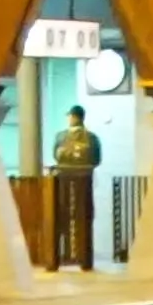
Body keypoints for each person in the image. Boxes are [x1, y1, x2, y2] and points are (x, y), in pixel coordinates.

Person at [47, 103, 106, 268]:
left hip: (63, 180)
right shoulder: (92, 138)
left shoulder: (60, 137)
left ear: (72, 117)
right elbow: (97, 159)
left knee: (63, 217)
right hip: (85, 180)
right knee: (84, 217)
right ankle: (85, 260)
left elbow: (55, 155)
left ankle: (63, 256)